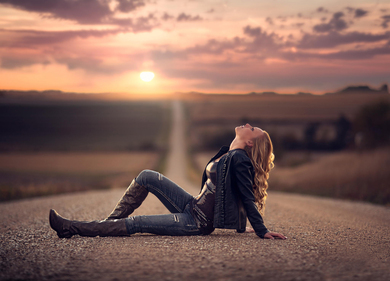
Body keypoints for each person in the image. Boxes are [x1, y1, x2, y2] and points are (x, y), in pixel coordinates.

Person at [49, 123, 287, 240]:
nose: (247, 125)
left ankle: (72, 227)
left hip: (196, 221)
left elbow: (246, 195)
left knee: (137, 223)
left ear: (251, 143)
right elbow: (231, 194)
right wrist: (238, 226)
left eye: (252, 128)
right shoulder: (228, 153)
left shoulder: (240, 160)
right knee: (147, 176)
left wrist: (261, 230)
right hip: (192, 205)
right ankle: (107, 225)